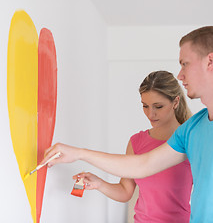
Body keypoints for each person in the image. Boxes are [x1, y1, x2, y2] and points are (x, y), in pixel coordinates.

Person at [42, 26, 213, 222]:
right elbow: (142, 165)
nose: (180, 75)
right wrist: (79, 153)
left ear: (210, 61)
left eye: (185, 63)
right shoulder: (194, 128)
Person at [74, 71, 193, 222]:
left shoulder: (190, 140)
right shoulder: (137, 142)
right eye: (145, 106)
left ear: (175, 102)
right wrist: (98, 183)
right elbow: (125, 191)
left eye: (158, 106)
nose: (151, 114)